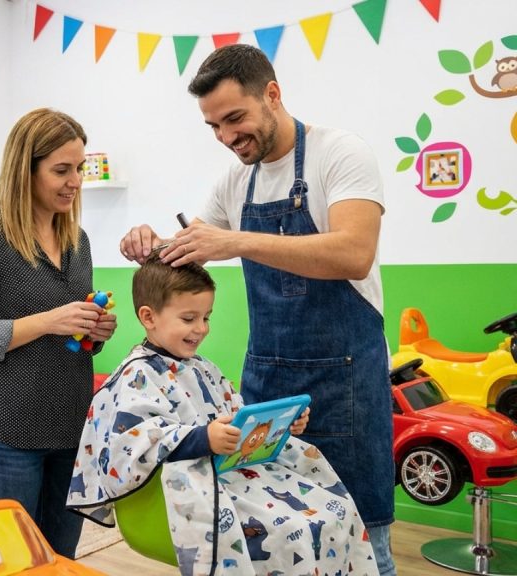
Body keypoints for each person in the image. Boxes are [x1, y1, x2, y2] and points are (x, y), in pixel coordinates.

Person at [119, 44, 396, 574]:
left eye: (235, 118)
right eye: (213, 126)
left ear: (272, 94)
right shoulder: (235, 181)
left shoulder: (339, 153)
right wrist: (152, 244)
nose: (226, 137)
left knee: (363, 539)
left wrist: (239, 241)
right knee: (273, 537)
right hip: (268, 390)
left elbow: (354, 253)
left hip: (346, 389)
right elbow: (192, 249)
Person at [66, 258, 377, 575]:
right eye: (189, 318)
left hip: (234, 479)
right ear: (148, 317)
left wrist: (278, 427)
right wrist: (204, 438)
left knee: (334, 512)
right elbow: (132, 445)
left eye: (206, 317)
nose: (201, 328)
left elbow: (236, 419)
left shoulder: (203, 368)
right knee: (286, 532)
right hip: (178, 494)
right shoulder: (136, 377)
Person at [0, 108, 118, 558]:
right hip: (6, 431)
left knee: (59, 558)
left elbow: (76, 336)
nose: (75, 181)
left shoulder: (78, 241)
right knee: (15, 560)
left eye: (78, 168)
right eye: (62, 170)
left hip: (70, 426)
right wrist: (47, 321)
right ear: (27, 169)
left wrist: (95, 331)